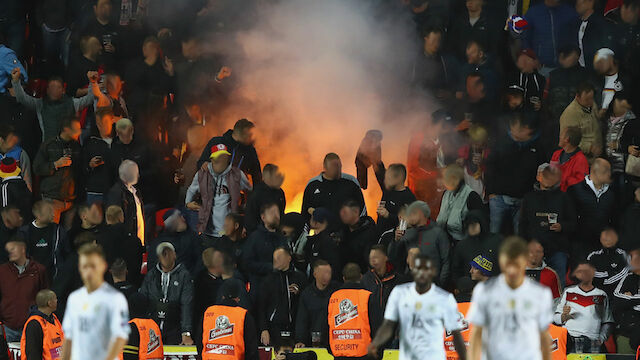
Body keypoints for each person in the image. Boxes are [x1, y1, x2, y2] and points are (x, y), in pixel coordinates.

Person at [467, 237, 554, 360]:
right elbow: (476, 334)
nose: (512, 268)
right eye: (508, 262)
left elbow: (544, 338)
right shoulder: (484, 291)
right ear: (502, 261)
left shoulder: (541, 294)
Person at [367, 254, 467, 360]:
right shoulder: (399, 293)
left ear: (432, 271)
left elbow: (456, 334)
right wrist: (376, 343)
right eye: (419, 269)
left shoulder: (445, 298)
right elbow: (388, 325)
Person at [61, 243, 129, 360]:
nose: (89, 271)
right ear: (79, 268)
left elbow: (121, 337)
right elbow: (69, 338)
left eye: (93, 266)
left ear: (103, 266)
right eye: (85, 266)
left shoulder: (116, 299)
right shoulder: (74, 299)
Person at [485, 113, 546, 234]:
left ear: (527, 129)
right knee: (494, 235)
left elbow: (541, 171)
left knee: (520, 235)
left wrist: (531, 197)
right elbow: (489, 167)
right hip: (499, 199)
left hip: (523, 201)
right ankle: (491, 253)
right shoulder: (501, 142)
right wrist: (491, 192)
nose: (514, 130)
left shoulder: (538, 146)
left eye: (519, 128)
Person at [520, 164, 576, 285]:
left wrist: (562, 226)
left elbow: (573, 223)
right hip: (533, 252)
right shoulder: (529, 198)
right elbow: (522, 225)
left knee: (558, 287)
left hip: (557, 250)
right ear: (538, 177)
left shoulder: (564, 198)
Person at [186, 143, 252, 238]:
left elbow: (250, 191)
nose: (222, 160)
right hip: (208, 232)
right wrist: (188, 203)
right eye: (219, 158)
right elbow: (191, 190)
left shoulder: (237, 175)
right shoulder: (203, 174)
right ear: (212, 159)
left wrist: (245, 209)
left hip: (229, 232)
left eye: (224, 157)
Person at [11, 68, 94, 142]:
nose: (54, 90)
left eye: (57, 87)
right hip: (49, 148)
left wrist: (92, 82)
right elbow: (23, 99)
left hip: (70, 148)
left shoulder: (72, 103)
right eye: (52, 87)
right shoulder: (40, 104)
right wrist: (16, 82)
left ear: (63, 90)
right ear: (47, 90)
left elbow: (89, 99)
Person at [139, 242, 194, 345]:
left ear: (174, 255)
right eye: (163, 253)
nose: (166, 256)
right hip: (152, 327)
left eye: (168, 252)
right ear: (159, 257)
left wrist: (186, 332)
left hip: (174, 328)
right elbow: (142, 301)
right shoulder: (151, 276)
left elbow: (187, 304)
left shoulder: (184, 276)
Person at [553, 261, 614, 353]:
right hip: (570, 339)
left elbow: (608, 322)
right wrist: (564, 316)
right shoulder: (568, 291)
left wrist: (600, 339)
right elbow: (555, 318)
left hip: (592, 341)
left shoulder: (601, 295)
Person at [33, 118, 83, 229]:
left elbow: (80, 171)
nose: (80, 132)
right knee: (51, 232)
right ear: (66, 129)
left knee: (67, 234)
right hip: (52, 197)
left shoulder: (76, 147)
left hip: (70, 199)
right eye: (77, 129)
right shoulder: (49, 145)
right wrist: (55, 164)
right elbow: (37, 168)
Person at [327, 263, 381, 360]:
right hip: (364, 354)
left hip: (339, 354)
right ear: (361, 277)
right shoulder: (368, 297)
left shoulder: (333, 297)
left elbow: (326, 326)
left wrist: (331, 350)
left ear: (344, 278)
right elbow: (377, 326)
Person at [389, 201, 450, 285]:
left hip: (432, 284)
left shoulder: (438, 233)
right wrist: (396, 240)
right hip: (410, 283)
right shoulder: (407, 233)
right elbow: (393, 258)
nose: (409, 216)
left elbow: (446, 261)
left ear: (422, 214)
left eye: (413, 213)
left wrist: (440, 283)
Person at [0, 237, 49, 342]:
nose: (10, 251)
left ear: (22, 249)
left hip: (31, 327)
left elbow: (45, 298)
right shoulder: (2, 271)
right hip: (7, 327)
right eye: (9, 249)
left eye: (13, 248)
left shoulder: (39, 270)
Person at [568, 158, 617, 260]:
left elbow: (614, 219)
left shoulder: (612, 193)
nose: (609, 174)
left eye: (609, 171)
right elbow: (570, 219)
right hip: (580, 245)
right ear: (594, 172)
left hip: (604, 246)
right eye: (605, 171)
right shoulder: (575, 190)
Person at [258, 247, 307, 346]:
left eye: (279, 257)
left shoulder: (300, 278)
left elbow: (305, 307)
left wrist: (298, 293)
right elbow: (260, 307)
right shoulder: (268, 280)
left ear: (289, 258)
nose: (276, 260)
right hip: (273, 330)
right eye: (274, 258)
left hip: (295, 329)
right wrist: (264, 329)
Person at [302, 153, 365, 225]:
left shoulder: (351, 182)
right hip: (322, 233)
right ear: (325, 167)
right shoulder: (313, 185)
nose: (337, 170)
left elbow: (362, 210)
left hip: (348, 232)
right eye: (333, 167)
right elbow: (305, 215)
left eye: (339, 166)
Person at [242, 202, 287, 299]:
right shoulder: (255, 238)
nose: (276, 216)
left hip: (280, 291)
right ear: (263, 217)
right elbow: (247, 263)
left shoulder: (282, 238)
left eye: (277, 213)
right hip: (259, 292)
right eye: (272, 213)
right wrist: (271, 267)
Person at [201, 285, 259, 360]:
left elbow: (199, 340)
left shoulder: (209, 312)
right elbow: (251, 349)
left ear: (222, 296)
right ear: (238, 298)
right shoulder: (243, 315)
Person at [519, 0, 578, 72]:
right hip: (541, 68)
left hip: (566, 68)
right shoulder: (532, 13)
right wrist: (531, 58)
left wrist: (574, 53)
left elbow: (576, 36)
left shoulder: (570, 12)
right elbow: (525, 38)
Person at [197, 119, 262, 184]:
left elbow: (257, 176)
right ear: (242, 134)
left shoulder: (250, 151)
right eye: (250, 135)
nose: (252, 138)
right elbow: (201, 163)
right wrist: (204, 165)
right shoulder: (216, 142)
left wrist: (256, 193)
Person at [295, 260, 340, 348]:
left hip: (334, 341)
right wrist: (300, 340)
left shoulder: (337, 291)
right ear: (315, 274)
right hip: (313, 342)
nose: (326, 276)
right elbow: (302, 319)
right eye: (323, 273)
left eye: (328, 273)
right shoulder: (307, 294)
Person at [19, 200, 68, 282]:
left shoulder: (59, 231)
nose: (53, 214)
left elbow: (67, 253)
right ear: (38, 215)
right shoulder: (25, 232)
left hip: (54, 277)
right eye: (49, 212)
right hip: (31, 278)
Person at [451, 210, 502, 284]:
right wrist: (462, 287)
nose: (472, 227)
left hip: (494, 287)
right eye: (469, 224)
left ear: (482, 223)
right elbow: (456, 270)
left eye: (474, 224)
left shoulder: (497, 241)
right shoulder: (462, 245)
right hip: (470, 289)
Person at [436, 163, 483, 241]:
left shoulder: (471, 196)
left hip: (464, 241)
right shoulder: (446, 194)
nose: (443, 180)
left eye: (445, 178)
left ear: (454, 179)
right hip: (445, 239)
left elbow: (479, 224)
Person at [147, 208, 201, 276]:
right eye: (179, 216)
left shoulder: (192, 237)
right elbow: (152, 269)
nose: (183, 219)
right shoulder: (158, 243)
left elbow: (200, 261)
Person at [559, 82, 603, 162]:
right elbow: (566, 140)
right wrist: (589, 147)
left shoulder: (592, 105)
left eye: (592, 98)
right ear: (577, 97)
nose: (590, 102)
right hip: (581, 159)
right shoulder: (570, 114)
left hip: (597, 157)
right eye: (587, 100)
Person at [105, 160, 145, 244]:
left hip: (136, 239)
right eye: (135, 172)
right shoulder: (116, 192)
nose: (138, 175)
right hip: (126, 241)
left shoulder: (135, 191)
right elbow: (114, 220)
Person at [547, 45, 589, 123]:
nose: (562, 58)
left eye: (566, 55)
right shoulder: (553, 75)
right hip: (556, 121)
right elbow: (547, 99)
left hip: (580, 121)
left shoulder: (586, 75)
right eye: (561, 55)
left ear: (577, 55)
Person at [83, 107, 116, 205]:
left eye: (105, 122)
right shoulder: (90, 142)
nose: (101, 125)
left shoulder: (118, 141)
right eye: (99, 123)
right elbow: (81, 167)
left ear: (112, 121)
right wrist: (90, 165)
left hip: (114, 190)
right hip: (95, 191)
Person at [78, 0, 121, 72]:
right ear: (95, 9)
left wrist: (115, 49)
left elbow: (123, 48)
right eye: (102, 5)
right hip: (92, 68)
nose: (106, 7)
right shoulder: (88, 27)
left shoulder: (116, 28)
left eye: (108, 4)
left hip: (112, 67)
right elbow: (81, 49)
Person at [373, 163, 416, 235]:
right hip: (380, 236)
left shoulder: (409, 197)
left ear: (399, 178)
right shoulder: (388, 191)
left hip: (393, 239)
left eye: (389, 177)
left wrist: (388, 215)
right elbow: (379, 171)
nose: (386, 180)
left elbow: (407, 223)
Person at [611, 247, 640, 354]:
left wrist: (630, 299)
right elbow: (617, 300)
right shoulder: (628, 277)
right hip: (627, 334)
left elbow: (624, 301)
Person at [20, 289, 63, 360]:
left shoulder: (54, 318)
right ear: (49, 303)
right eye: (55, 299)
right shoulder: (34, 324)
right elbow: (33, 353)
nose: (57, 301)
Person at [245, 164, 286, 234]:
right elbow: (250, 218)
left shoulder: (280, 193)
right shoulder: (256, 194)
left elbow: (281, 212)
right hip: (260, 235)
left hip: (276, 234)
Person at [587, 228, 629, 296]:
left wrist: (606, 281)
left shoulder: (623, 255)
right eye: (605, 237)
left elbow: (624, 273)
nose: (607, 239)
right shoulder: (593, 255)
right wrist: (609, 273)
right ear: (601, 239)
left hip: (616, 292)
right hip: (596, 290)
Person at [574, 0, 615, 70]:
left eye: (581, 1)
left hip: (596, 72)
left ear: (591, 3)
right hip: (580, 71)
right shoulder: (575, 23)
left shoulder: (601, 25)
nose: (577, 4)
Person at [339, 200, 377, 272]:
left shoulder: (368, 232)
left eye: (345, 213)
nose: (342, 215)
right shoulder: (342, 231)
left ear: (356, 212)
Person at [604, 91, 636, 176]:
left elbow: (633, 146)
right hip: (604, 165)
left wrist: (620, 146)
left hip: (622, 167)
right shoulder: (605, 118)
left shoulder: (632, 122)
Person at [550, 126, 590, 192]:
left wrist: (561, 179)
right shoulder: (556, 154)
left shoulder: (581, 160)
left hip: (569, 197)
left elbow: (581, 183)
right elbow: (551, 173)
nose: (559, 137)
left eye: (561, 135)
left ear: (567, 139)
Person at [361, 245, 399, 311]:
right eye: (371, 258)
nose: (373, 260)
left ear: (386, 257)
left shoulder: (396, 278)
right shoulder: (366, 279)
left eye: (376, 257)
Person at [0, 123, 32, 190]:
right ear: (1, 140)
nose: (14, 139)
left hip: (16, 195)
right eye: (10, 138)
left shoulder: (20, 154)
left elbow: (27, 179)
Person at [0, 157, 31, 221]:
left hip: (11, 224)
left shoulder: (6, 187)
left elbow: (5, 211)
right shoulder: (22, 183)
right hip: (24, 221)